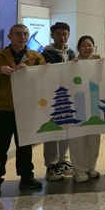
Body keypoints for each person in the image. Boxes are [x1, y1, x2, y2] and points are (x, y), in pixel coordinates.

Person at [0, 24, 45, 201]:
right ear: (10, 36)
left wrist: (31, 72)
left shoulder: (35, 57)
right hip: (3, 110)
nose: (22, 37)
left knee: (25, 147)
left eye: (25, 34)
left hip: (26, 109)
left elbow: (44, 79)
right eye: (18, 34)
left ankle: (26, 177)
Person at [41, 21, 76, 182]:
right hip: (51, 97)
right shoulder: (45, 54)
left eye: (65, 34)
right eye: (58, 34)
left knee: (66, 129)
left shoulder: (71, 53)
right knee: (52, 130)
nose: (62, 37)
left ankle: (63, 160)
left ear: (68, 35)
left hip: (68, 96)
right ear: (52, 35)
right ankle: (51, 164)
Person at [68, 35, 101, 182]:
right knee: (77, 138)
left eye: (90, 45)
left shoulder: (99, 62)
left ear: (94, 47)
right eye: (84, 45)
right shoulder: (72, 64)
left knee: (94, 137)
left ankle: (90, 166)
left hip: (94, 104)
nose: (87, 48)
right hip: (77, 103)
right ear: (78, 48)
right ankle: (78, 170)